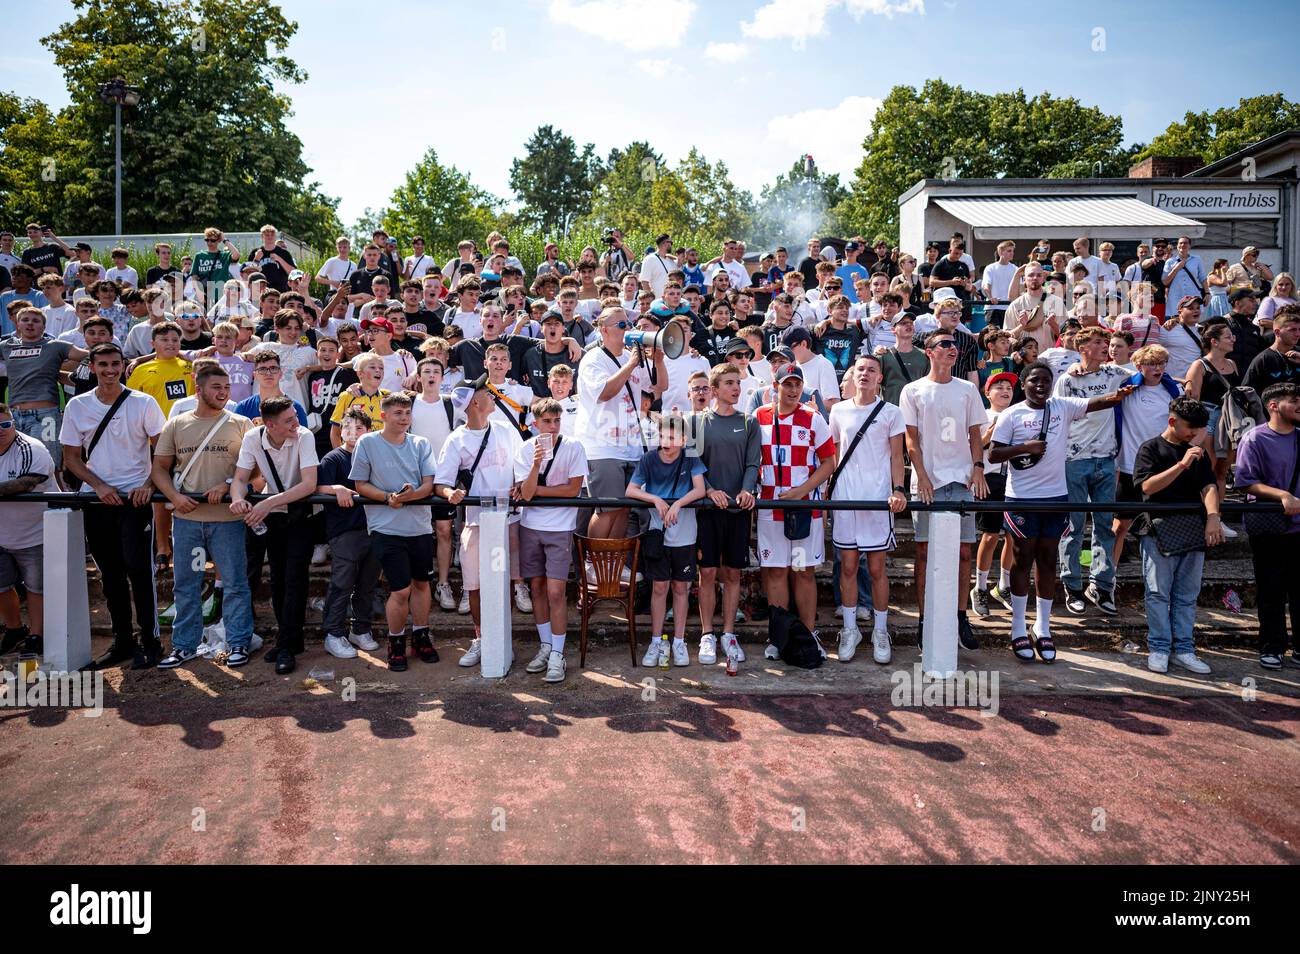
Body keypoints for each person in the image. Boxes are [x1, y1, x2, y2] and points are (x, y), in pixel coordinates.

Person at [990, 363, 1132, 663]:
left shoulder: (1063, 406)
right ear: (1023, 384)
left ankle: (1042, 626)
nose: (1040, 385)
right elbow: (994, 453)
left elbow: (1101, 401)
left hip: (1056, 497)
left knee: (1046, 560)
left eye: (1046, 381)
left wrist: (1128, 388)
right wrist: (1024, 448)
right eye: (1034, 380)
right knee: (1021, 560)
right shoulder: (1011, 414)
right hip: (1021, 499)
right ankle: (1017, 628)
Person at [60, 343, 165, 669]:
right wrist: (99, 486)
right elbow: (71, 460)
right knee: (111, 575)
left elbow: (163, 454)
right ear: (91, 367)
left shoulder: (143, 402)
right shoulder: (77, 405)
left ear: (123, 366)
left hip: (135, 500)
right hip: (98, 501)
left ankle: (151, 642)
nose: (109, 370)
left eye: (115, 364)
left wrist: (148, 486)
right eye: (103, 364)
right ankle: (122, 642)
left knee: (139, 570)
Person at [152, 364, 256, 669]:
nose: (223, 393)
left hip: (228, 522)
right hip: (187, 522)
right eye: (216, 388)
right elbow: (159, 468)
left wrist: (227, 486)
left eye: (226, 388)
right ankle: (185, 645)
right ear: (199, 390)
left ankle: (238, 642)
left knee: (236, 583)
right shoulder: (177, 424)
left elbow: (257, 474)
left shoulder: (242, 424)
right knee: (186, 584)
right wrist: (174, 497)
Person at [900, 329, 989, 649]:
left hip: (962, 480)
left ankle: (960, 617)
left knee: (965, 551)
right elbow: (910, 439)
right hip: (927, 484)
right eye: (945, 345)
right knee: (924, 554)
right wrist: (921, 476)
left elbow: (975, 434)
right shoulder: (913, 390)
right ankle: (924, 622)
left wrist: (978, 468)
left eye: (954, 345)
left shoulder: (967, 389)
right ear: (929, 351)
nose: (953, 349)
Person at [1131, 394, 1227, 676]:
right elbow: (1147, 487)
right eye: (1190, 428)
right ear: (1172, 422)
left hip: (1193, 528)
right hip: (1158, 529)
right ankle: (1160, 647)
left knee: (1187, 594)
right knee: (1158, 593)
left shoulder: (1195, 452)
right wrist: (1182, 464)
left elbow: (1209, 486)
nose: (1195, 434)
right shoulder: (1150, 449)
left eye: (1199, 429)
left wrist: (1213, 518)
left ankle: (1184, 648)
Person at [351, 391, 438, 671]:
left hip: (420, 527)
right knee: (400, 590)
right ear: (384, 415)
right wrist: (388, 498)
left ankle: (421, 636)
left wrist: (406, 497)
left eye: (408, 412)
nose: (404, 418)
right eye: (398, 413)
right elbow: (360, 485)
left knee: (422, 585)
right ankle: (396, 641)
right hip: (385, 528)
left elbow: (428, 486)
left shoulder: (421, 443)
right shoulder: (367, 442)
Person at [231, 395, 318, 674]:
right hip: (277, 518)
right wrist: (237, 498)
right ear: (270, 425)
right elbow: (240, 479)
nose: (296, 422)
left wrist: (268, 502)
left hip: (301, 515)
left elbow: (309, 484)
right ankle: (290, 640)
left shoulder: (304, 436)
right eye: (289, 420)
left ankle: (285, 645)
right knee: (278, 579)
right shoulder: (253, 439)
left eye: (295, 416)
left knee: (295, 579)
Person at [828, 355, 907, 664]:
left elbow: (897, 455)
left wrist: (898, 489)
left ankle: (880, 631)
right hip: (846, 499)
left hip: (876, 499)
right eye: (859, 369)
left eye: (871, 370)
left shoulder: (892, 412)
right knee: (847, 567)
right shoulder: (837, 410)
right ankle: (850, 629)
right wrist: (827, 491)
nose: (864, 374)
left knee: (876, 569)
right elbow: (834, 454)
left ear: (879, 379)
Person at [1053, 327, 1134, 614]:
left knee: (1104, 525)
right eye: (1099, 342)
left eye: (1107, 342)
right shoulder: (1067, 379)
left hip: (1107, 459)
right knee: (1073, 526)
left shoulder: (1115, 374)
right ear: (1082, 347)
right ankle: (1072, 585)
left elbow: (1148, 372)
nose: (1106, 347)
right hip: (1074, 459)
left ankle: (1101, 585)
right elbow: (1058, 417)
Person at [755, 362, 836, 640]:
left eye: (797, 384)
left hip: (805, 508)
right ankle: (779, 637)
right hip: (769, 506)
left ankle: (808, 634)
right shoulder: (758, 416)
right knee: (776, 572)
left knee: (803, 572)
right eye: (786, 384)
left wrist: (803, 490)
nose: (792, 389)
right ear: (775, 386)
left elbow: (829, 462)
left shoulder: (813, 418)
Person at [514, 397, 588, 683]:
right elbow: (527, 492)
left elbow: (573, 491)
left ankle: (558, 653)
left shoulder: (574, 446)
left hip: (561, 526)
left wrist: (538, 490)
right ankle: (545, 646)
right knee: (537, 588)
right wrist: (535, 467)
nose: (553, 426)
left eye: (557, 421)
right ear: (535, 424)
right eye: (547, 421)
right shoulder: (524, 450)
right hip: (530, 525)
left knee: (557, 592)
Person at [578, 307, 666, 542]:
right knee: (608, 509)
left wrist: (658, 360)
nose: (628, 329)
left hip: (631, 446)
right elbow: (605, 392)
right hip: (603, 446)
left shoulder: (630, 357)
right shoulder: (593, 359)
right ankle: (594, 564)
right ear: (604, 330)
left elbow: (658, 389)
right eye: (621, 325)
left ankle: (612, 564)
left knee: (625, 509)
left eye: (628, 324)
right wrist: (631, 364)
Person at [691, 362, 760, 665]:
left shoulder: (749, 422)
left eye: (738, 382)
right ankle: (707, 634)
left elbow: (752, 464)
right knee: (706, 573)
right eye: (729, 383)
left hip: (738, 510)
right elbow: (692, 465)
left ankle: (729, 633)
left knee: (733, 574)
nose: (736, 388)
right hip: (707, 510)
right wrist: (708, 490)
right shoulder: (696, 422)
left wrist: (747, 490)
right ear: (714, 390)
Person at [627, 412, 708, 667]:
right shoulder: (649, 459)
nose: (666, 441)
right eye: (662, 435)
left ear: (683, 439)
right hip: (657, 533)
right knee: (659, 587)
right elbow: (631, 489)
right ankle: (656, 640)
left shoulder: (691, 457)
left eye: (672, 437)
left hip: (685, 533)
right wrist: (656, 499)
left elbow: (700, 489)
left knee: (681, 587)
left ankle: (679, 641)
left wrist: (679, 504)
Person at [1234, 382, 1300, 671]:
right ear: (1273, 406)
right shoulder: (1255, 439)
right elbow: (1246, 481)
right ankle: (1272, 646)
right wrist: (1282, 495)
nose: (1299, 405)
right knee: (1271, 589)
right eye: (1294, 400)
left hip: (1299, 527)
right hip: (1270, 527)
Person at [314, 406, 381, 660]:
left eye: (360, 428)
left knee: (367, 583)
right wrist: (336, 488)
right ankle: (333, 633)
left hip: (374, 528)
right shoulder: (333, 458)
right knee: (342, 583)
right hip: (344, 530)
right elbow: (317, 486)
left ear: (369, 431)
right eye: (348, 428)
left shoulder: (373, 457)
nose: (353, 433)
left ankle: (360, 629)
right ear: (341, 431)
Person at [1113, 345, 1182, 567]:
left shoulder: (1174, 391)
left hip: (1161, 468)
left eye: (1162, 363)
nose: (1158, 368)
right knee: (1120, 526)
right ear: (1139, 365)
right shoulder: (1125, 386)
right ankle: (1107, 578)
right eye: (1152, 363)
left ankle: (1159, 575)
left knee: (1161, 525)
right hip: (1129, 466)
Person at [0, 403, 59, 656]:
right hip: (2, 534)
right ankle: (14, 629)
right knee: (1, 586)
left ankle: (37, 635)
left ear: (14, 423)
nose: (1, 431)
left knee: (37, 587)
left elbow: (25, 483)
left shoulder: (32, 448)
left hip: (36, 531)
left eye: (5, 424)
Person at [1, 306, 88, 463]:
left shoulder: (56, 346)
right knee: (16, 464)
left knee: (46, 464)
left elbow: (93, 357)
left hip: (45, 416)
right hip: (14, 417)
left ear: (44, 326)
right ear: (17, 324)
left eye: (36, 321)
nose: (30, 324)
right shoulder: (7, 346)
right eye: (25, 320)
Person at [970, 371, 1016, 617]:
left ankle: (1004, 585)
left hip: (1016, 481)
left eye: (1008, 386)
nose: (1004, 390)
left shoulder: (1019, 414)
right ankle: (979, 587)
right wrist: (994, 429)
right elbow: (977, 447)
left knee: (1013, 535)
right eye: (998, 386)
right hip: (990, 480)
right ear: (987, 393)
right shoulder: (982, 416)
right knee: (989, 535)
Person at [235, 350, 309, 426]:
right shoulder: (243, 408)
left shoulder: (295, 408)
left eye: (273, 368)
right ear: (255, 375)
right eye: (262, 369)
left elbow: (304, 437)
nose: (268, 373)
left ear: (281, 373)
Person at [1242, 305, 1300, 393]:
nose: (1298, 334)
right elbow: (1247, 392)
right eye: (1292, 330)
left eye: (1299, 329)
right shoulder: (1263, 359)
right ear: (1277, 332)